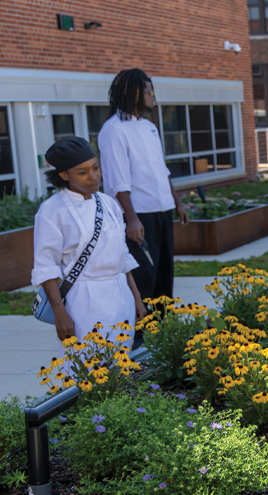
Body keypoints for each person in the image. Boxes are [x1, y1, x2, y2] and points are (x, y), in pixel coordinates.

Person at [33, 137, 147, 355]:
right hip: (83, 301)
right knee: (87, 368)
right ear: (64, 175)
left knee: (121, 363)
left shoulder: (109, 203)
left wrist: (136, 298)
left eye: (95, 168)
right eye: (82, 172)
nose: (93, 176)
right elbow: (45, 267)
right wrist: (60, 314)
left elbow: (122, 256)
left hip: (120, 294)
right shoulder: (51, 211)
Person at [99, 68, 189, 303]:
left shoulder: (150, 127)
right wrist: (132, 219)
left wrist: (177, 203)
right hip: (139, 214)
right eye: (148, 92)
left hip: (162, 209)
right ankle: (141, 333)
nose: (152, 96)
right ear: (132, 92)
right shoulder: (113, 129)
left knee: (163, 272)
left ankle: (163, 329)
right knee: (143, 276)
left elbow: (161, 169)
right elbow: (117, 180)